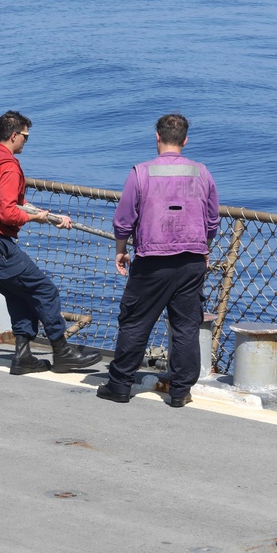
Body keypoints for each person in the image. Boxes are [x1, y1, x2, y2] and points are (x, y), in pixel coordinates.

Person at [97, 114, 220, 408]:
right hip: (192, 259)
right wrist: (205, 248)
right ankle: (179, 391)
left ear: (157, 137)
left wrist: (121, 249)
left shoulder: (141, 172)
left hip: (152, 260)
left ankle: (120, 385)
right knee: (186, 326)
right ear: (185, 141)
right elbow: (212, 220)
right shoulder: (202, 173)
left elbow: (124, 219)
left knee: (136, 322)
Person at [0, 110, 102, 375]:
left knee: (19, 294)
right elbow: (8, 212)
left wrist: (49, 216)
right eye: (26, 137)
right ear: (14, 135)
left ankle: (23, 357)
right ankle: (62, 352)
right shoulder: (9, 166)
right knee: (45, 290)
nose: (27, 141)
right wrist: (37, 219)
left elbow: (7, 202)